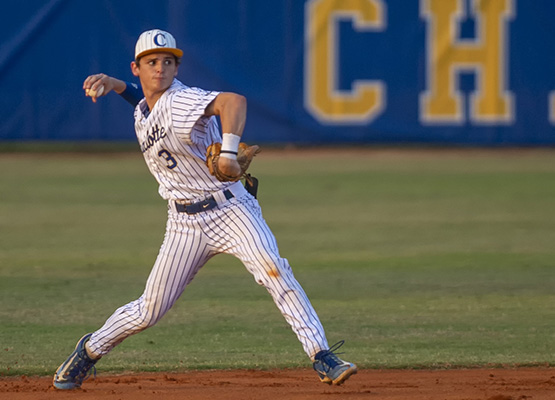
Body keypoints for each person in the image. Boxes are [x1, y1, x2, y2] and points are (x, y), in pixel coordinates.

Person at [52, 29, 357, 390]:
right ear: (137, 68)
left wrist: (228, 151)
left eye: (168, 62)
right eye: (152, 62)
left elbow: (233, 102)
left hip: (231, 209)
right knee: (149, 309)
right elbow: (142, 103)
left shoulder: (180, 102)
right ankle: (89, 350)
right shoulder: (145, 108)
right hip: (183, 223)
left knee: (274, 270)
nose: (161, 69)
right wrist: (117, 85)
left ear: (177, 66)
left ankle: (322, 355)